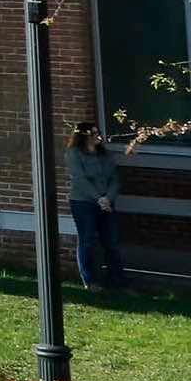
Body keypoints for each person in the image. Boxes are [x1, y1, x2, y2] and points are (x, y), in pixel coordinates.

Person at [66, 123, 127, 293]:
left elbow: (115, 178)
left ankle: (117, 279)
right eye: (93, 133)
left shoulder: (105, 155)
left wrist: (108, 198)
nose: (97, 136)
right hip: (83, 203)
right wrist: (98, 198)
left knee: (111, 241)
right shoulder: (74, 154)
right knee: (87, 240)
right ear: (83, 136)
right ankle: (90, 280)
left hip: (106, 202)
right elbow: (80, 179)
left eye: (98, 133)